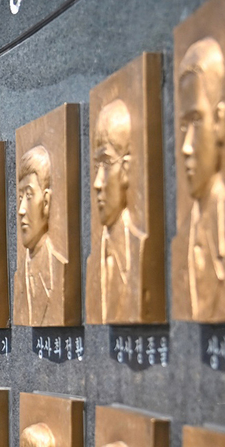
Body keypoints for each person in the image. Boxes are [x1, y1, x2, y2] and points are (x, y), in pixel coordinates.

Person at [179, 37, 225, 321]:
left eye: (196, 121)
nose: (185, 146)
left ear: (219, 121)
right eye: (183, 126)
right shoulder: (180, 240)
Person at [91, 99, 148, 322]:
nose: (96, 183)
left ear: (126, 169)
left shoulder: (140, 247)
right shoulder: (93, 263)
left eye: (106, 164)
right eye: (96, 167)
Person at [15, 145, 68, 324]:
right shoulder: (19, 277)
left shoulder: (59, 269)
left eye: (28, 196)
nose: (21, 210)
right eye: (19, 197)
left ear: (46, 202)